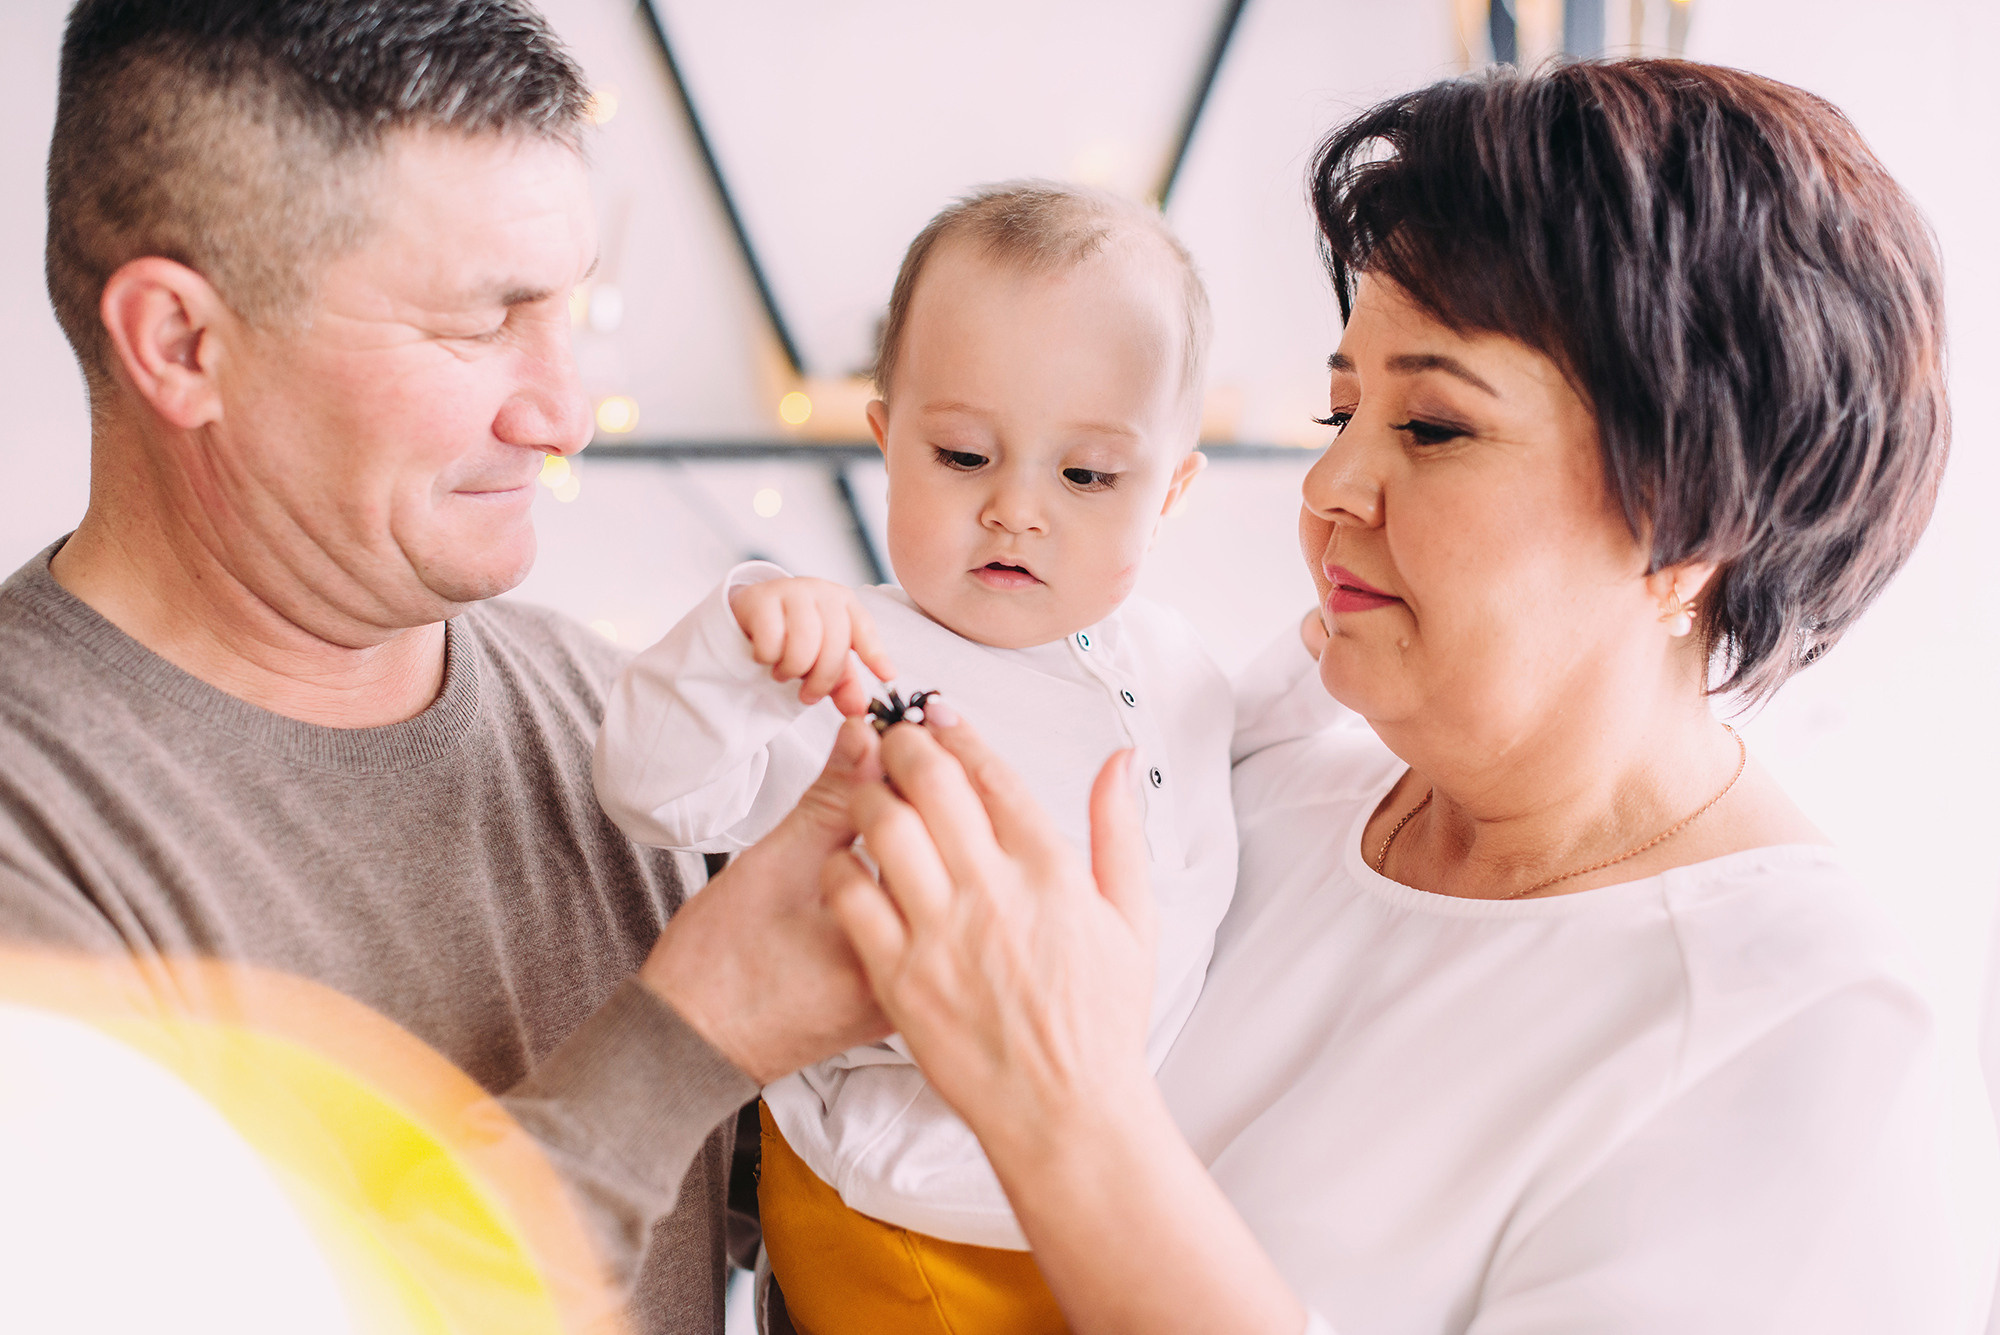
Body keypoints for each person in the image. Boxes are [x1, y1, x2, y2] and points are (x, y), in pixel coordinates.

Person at [821, 60, 2000, 1333]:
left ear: (1689, 527)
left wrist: (1065, 1116)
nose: (1328, 486)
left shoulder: (1804, 1028)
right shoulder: (1228, 804)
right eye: (1340, 410)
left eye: (1433, 427)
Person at [0, 3, 889, 1329]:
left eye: (569, 306)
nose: (565, 413)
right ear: (183, 343)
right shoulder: (35, 836)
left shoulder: (612, 717)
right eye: (484, 322)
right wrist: (690, 1034)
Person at [593, 182, 1338, 1333]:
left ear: (1170, 491)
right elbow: (651, 790)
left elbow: (1232, 752)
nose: (1013, 510)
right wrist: (743, 641)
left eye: (1084, 476)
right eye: (961, 454)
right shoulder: (842, 655)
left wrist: (1326, 654)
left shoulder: (1162, 653)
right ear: (886, 439)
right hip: (908, 1199)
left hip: (1113, 1185)